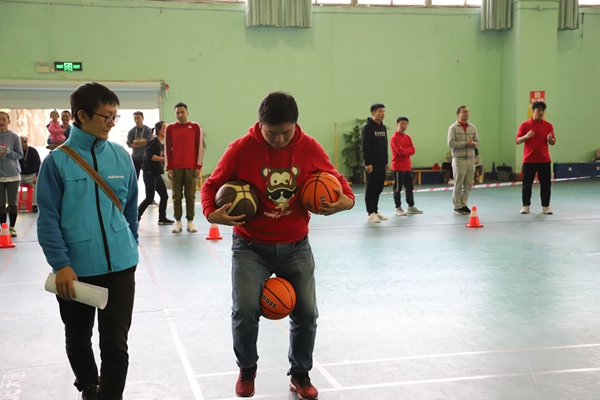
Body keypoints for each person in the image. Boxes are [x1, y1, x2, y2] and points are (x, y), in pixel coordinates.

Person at [200, 91, 355, 400]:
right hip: (250, 246)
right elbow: (211, 185)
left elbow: (339, 182)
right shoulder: (241, 149)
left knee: (307, 313)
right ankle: (247, 369)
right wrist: (210, 213)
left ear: (295, 124)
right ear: (260, 125)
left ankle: (300, 374)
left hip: (296, 245)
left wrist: (345, 202)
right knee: (244, 310)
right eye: (272, 133)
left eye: (286, 132)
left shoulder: (309, 148)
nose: (280, 139)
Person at [36, 82, 139, 400]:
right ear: (82, 115)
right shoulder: (56, 162)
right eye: (106, 116)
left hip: (121, 267)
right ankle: (89, 386)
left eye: (115, 116)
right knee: (78, 339)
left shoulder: (121, 157)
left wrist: (130, 246)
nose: (111, 122)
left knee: (115, 344)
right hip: (76, 270)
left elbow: (130, 210)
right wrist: (61, 265)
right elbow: (48, 219)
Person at [165, 102, 204, 233]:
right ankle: (178, 221)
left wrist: (198, 166)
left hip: (191, 168)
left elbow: (199, 147)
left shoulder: (195, 127)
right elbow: (167, 149)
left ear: (187, 113)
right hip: (175, 168)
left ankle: (190, 221)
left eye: (182, 112)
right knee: (176, 196)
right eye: (177, 113)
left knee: (190, 196)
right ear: (175, 114)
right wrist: (169, 167)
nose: (180, 115)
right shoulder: (170, 128)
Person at [516, 101, 556, 215]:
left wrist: (550, 139)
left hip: (544, 160)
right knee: (527, 184)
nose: (541, 112)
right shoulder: (524, 125)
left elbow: (553, 142)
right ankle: (526, 206)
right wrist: (526, 136)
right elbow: (517, 140)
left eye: (543, 110)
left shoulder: (548, 126)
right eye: (538, 110)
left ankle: (545, 206)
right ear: (532, 111)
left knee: (546, 185)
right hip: (529, 160)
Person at [138, 121, 173, 225]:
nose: (166, 130)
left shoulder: (161, 144)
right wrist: (163, 159)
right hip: (150, 173)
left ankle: (162, 218)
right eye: (164, 128)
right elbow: (150, 156)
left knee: (164, 196)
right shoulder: (153, 142)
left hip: (157, 174)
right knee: (149, 197)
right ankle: (136, 217)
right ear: (158, 130)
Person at [447, 105, 479, 215]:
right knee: (458, 184)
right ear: (458, 114)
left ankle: (464, 204)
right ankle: (457, 206)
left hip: (471, 159)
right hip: (459, 159)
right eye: (464, 112)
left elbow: (477, 141)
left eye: (467, 111)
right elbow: (451, 143)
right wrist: (465, 144)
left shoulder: (472, 127)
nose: (466, 113)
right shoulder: (453, 128)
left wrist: (474, 144)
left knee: (468, 184)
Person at [390, 116, 423, 216]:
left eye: (405, 124)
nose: (404, 126)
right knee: (398, 188)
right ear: (397, 124)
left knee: (409, 187)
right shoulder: (394, 138)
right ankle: (398, 208)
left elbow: (413, 150)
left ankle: (411, 206)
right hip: (398, 167)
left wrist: (406, 151)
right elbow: (399, 151)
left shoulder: (407, 137)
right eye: (402, 123)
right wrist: (407, 151)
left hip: (407, 166)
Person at [362, 103, 388, 223]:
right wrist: (368, 163)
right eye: (380, 112)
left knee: (379, 187)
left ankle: (376, 211)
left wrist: (386, 162)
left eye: (384, 111)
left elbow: (384, 145)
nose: (383, 114)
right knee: (371, 188)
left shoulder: (383, 127)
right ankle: (370, 213)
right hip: (372, 164)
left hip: (381, 163)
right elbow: (365, 146)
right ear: (373, 113)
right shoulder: (367, 127)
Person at [0, 111, 24, 237]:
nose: (1, 122)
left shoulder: (15, 137)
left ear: (8, 121)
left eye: (4, 119)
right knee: (0, 203)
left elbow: (19, 155)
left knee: (12, 202)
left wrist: (8, 152)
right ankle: (3, 227)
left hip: (13, 175)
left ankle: (12, 227)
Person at [126, 111, 152, 179]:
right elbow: (129, 144)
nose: (136, 120)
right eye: (135, 118)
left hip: (146, 158)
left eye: (138, 118)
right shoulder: (131, 131)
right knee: (134, 178)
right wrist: (143, 143)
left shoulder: (148, 130)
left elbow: (149, 142)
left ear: (142, 118)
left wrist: (135, 142)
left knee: (148, 178)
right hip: (135, 158)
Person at [18, 136, 41, 213]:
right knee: (9, 185)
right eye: (21, 142)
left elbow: (38, 164)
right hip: (19, 176)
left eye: (25, 142)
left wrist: (37, 176)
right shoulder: (16, 152)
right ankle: (11, 205)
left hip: (32, 176)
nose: (23, 144)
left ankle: (35, 205)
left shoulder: (33, 151)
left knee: (38, 185)